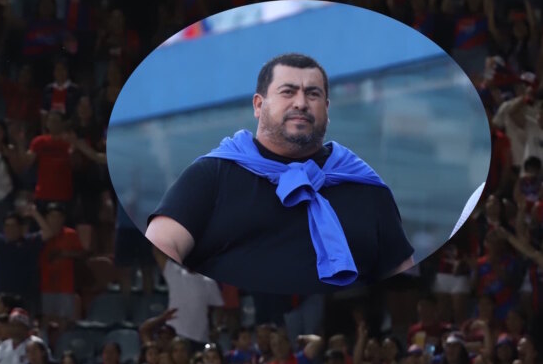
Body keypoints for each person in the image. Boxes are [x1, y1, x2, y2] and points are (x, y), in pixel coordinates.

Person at [144, 53, 415, 294]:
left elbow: (402, 275)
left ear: (327, 109)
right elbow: (161, 242)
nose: (301, 103)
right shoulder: (212, 174)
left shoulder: (367, 187)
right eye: (288, 92)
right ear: (259, 105)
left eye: (313, 94)